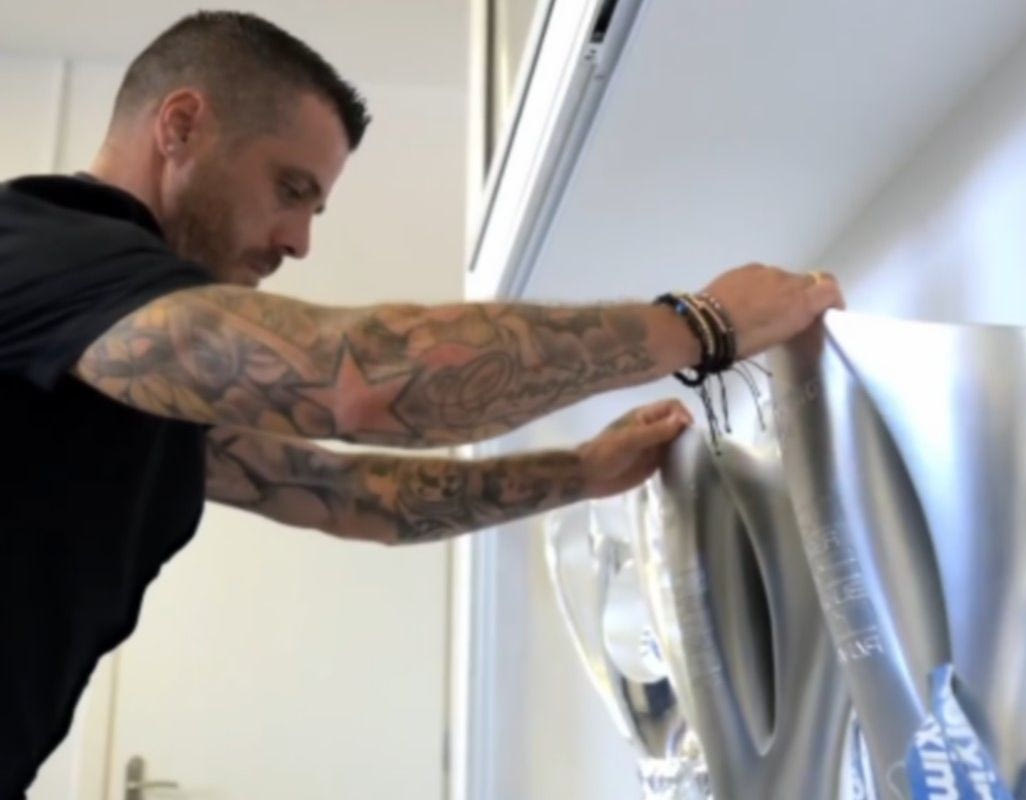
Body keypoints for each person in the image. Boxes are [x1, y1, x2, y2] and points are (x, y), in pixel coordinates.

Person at [0, 11, 844, 796]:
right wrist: (701, 325)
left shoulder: (125, 358)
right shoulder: (40, 247)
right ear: (181, 126)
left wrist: (582, 473)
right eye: (290, 188)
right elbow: (357, 380)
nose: (299, 240)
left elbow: (355, 497)